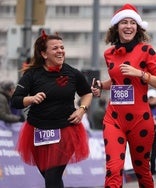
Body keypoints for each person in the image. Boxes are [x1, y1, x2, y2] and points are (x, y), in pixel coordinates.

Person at [91, 3, 156, 187]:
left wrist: (139, 73)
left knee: (142, 170)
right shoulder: (109, 53)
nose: (128, 26)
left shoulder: (146, 51)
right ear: (116, 27)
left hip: (140, 120)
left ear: (138, 28)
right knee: (113, 169)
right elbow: (117, 82)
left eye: (132, 23)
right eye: (124, 22)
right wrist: (101, 85)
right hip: (114, 119)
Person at [10, 30, 93, 188]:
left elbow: (87, 93)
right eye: (55, 48)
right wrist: (31, 99)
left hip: (65, 130)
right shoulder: (31, 75)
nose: (60, 51)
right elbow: (15, 100)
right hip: (38, 132)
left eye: (62, 47)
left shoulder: (72, 73)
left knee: (52, 177)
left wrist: (82, 109)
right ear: (44, 54)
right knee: (50, 178)